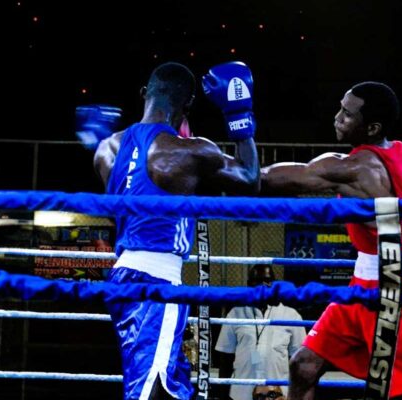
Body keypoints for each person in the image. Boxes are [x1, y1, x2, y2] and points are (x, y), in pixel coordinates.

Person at [261, 81, 402, 400]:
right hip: (363, 285)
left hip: (398, 287)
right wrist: (398, 210)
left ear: (372, 127)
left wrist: (232, 168)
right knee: (303, 366)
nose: (337, 117)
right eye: (341, 108)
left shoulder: (353, 166)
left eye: (347, 114)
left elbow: (279, 178)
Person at [90, 61, 260, 399]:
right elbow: (250, 179)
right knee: (149, 390)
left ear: (144, 94)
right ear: (188, 105)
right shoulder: (188, 151)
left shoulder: (105, 149)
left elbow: (120, 215)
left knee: (176, 386)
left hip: (122, 274)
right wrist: (238, 115)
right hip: (158, 282)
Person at [215, 264, 306, 400]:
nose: (263, 285)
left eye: (267, 280)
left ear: (274, 284)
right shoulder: (235, 313)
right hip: (241, 394)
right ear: (249, 284)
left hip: (278, 395)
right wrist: (222, 396)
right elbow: (225, 360)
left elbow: (300, 362)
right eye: (257, 281)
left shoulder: (291, 316)